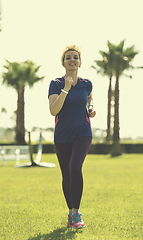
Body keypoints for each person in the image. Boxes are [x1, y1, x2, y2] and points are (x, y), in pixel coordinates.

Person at [48, 45, 96, 229]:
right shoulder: (56, 84)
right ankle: (71, 213)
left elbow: (89, 97)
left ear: (80, 62)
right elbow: (53, 111)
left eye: (75, 57)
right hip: (62, 135)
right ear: (63, 63)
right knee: (66, 174)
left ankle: (76, 213)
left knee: (75, 166)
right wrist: (66, 88)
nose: (72, 60)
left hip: (83, 132)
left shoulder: (86, 83)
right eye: (68, 57)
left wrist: (91, 108)